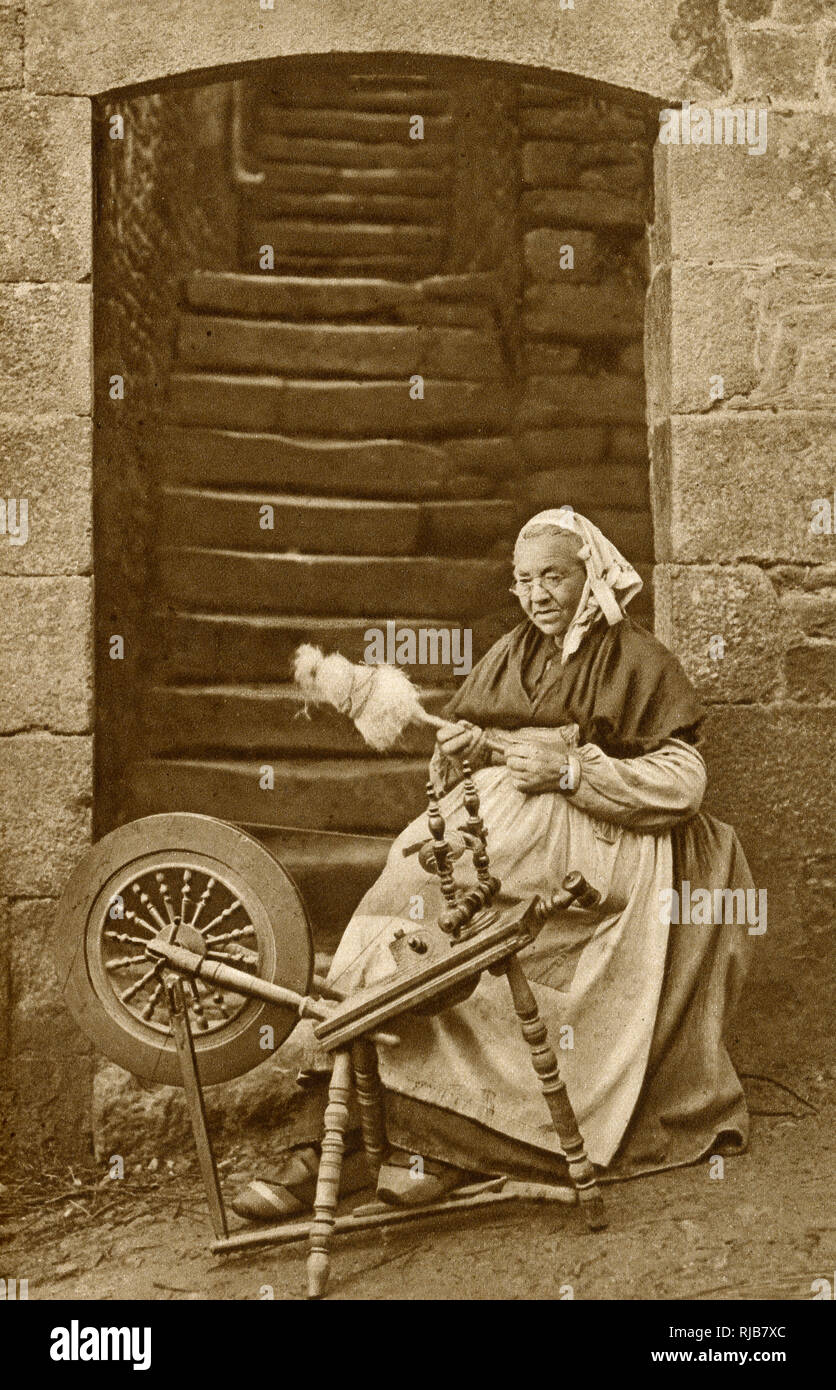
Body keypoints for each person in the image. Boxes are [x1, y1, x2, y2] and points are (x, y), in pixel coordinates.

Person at [233, 507, 753, 1220]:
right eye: (523, 581)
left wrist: (572, 769)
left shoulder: (636, 658)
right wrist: (464, 754)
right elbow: (471, 752)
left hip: (598, 853)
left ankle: (448, 1142)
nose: (537, 595)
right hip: (492, 836)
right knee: (397, 908)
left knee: (468, 944)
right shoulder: (512, 652)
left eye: (553, 578)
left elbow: (683, 782)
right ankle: (339, 1128)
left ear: (590, 577)